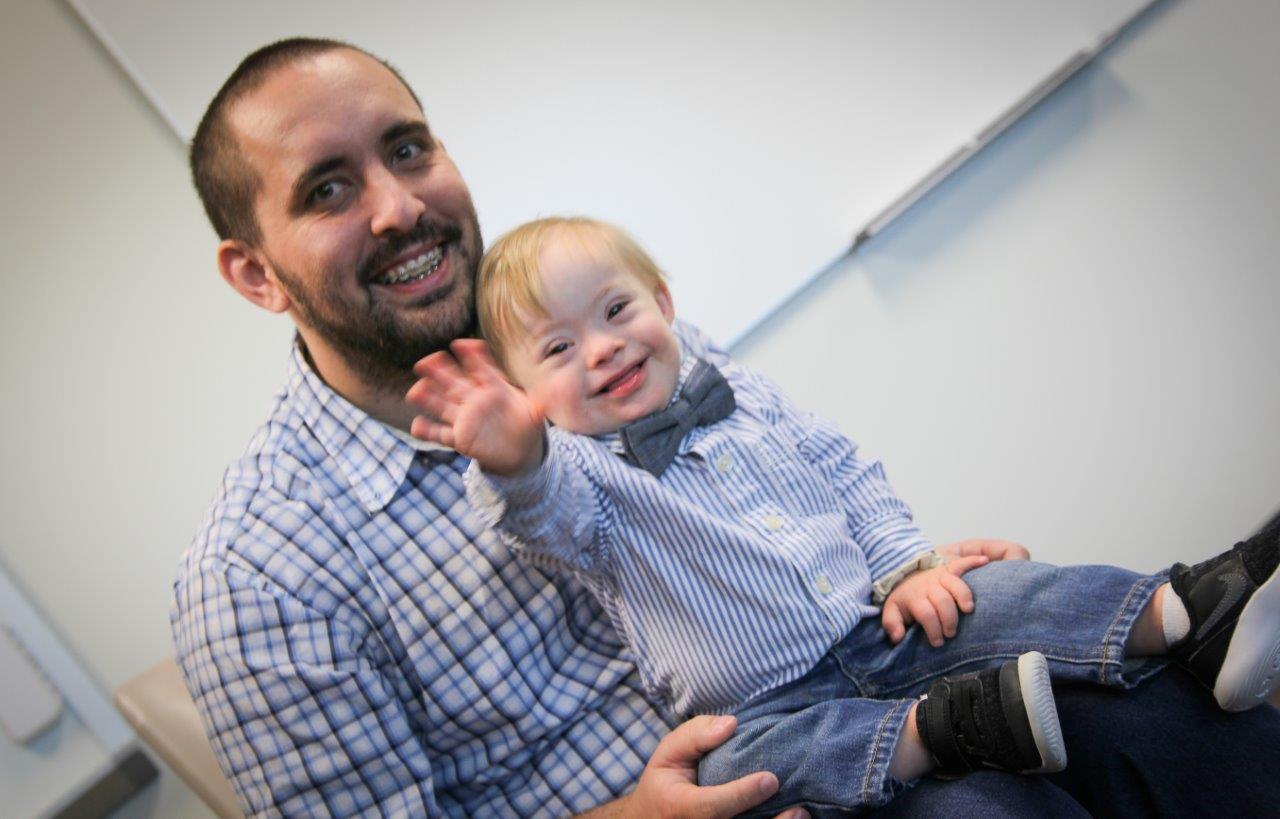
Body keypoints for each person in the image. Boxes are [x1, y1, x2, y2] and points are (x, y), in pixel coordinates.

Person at [170, 37, 1280, 817]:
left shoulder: (582, 319)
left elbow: (782, 478)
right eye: (326, 189)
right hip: (770, 776)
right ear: (254, 274)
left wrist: (904, 565)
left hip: (867, 678)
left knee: (1152, 709)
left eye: (407, 148)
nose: (398, 205)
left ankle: (1203, 613)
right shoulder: (259, 579)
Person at [405, 215, 1280, 813]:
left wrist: (908, 563)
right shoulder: (583, 477)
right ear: (529, 396)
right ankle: (948, 730)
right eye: (557, 350)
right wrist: (514, 452)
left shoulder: (735, 388)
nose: (601, 348)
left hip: (880, 623)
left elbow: (845, 469)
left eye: (616, 310)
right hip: (770, 704)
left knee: (997, 586)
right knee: (732, 770)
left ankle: (1193, 608)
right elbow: (538, 506)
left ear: (665, 304)